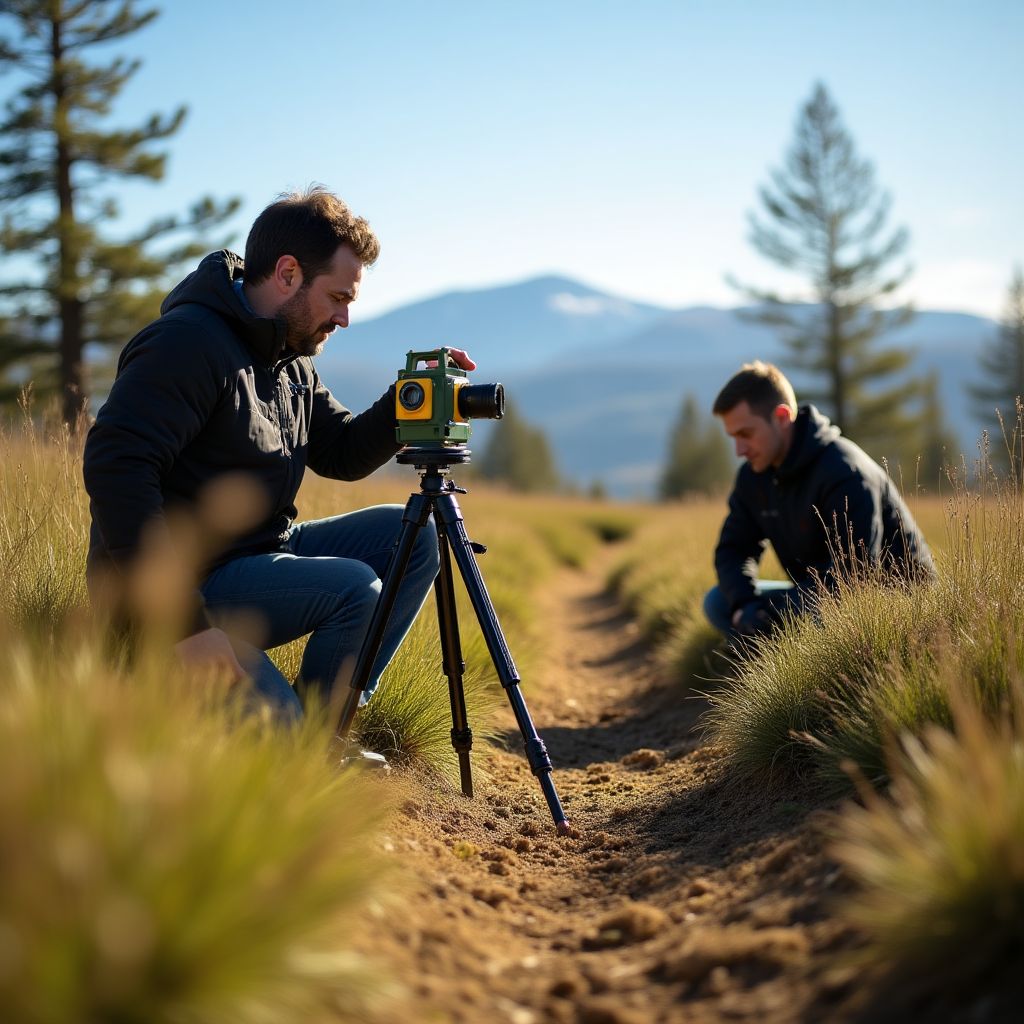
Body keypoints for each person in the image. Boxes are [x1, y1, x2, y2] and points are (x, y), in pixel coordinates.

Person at [83, 185, 474, 726]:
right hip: (181, 586)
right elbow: (115, 467)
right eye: (338, 297)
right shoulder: (186, 343)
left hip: (257, 556)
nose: (343, 319)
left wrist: (410, 400)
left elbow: (340, 453)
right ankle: (304, 741)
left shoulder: (288, 356)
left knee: (412, 536)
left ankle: (328, 731)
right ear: (288, 273)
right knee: (283, 729)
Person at [703, 360, 935, 643]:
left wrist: (770, 613)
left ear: (781, 417)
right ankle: (774, 667)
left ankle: (806, 672)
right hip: (815, 597)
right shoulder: (755, 476)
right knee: (719, 602)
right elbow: (734, 549)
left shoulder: (844, 472)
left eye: (745, 434)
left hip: (891, 605)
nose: (739, 450)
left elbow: (856, 576)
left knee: (812, 613)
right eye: (732, 437)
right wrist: (745, 605)